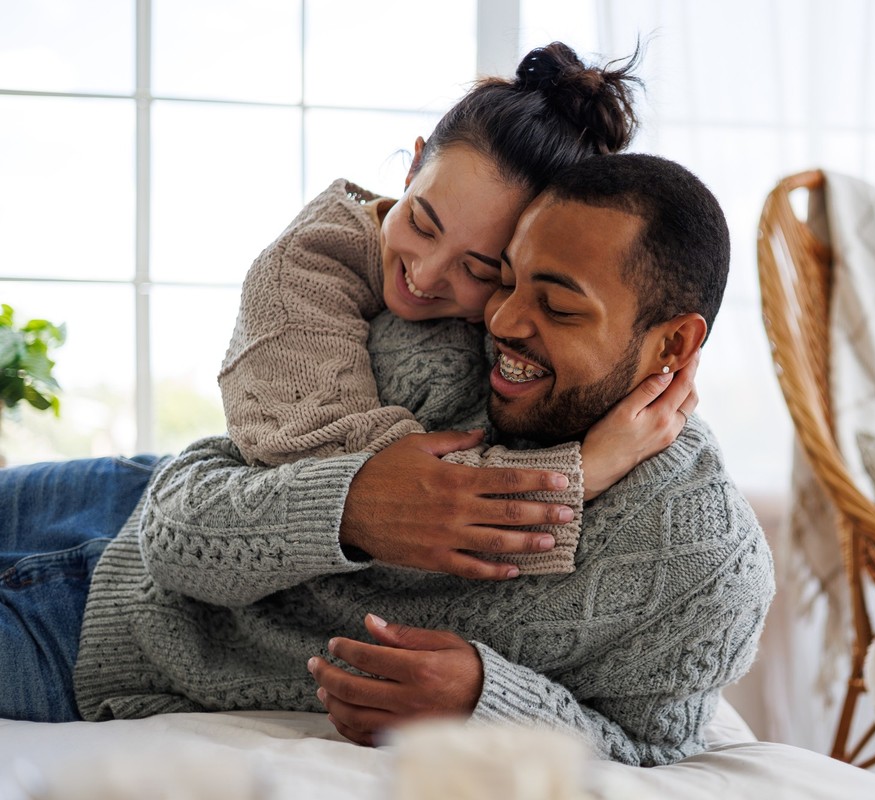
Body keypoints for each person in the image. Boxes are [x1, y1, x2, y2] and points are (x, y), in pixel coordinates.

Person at [67, 154, 774, 767]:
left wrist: (485, 699)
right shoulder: (444, 355)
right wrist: (354, 507)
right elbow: (181, 506)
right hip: (104, 519)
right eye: (507, 279)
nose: (499, 322)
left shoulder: (711, 568)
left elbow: (649, 747)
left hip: (89, 641)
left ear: (674, 346)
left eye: (557, 307)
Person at [218, 41, 695, 580]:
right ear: (414, 163)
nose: (423, 275)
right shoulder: (298, 273)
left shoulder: (513, 312)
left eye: (480, 270)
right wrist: (589, 468)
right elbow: (384, 493)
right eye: (421, 224)